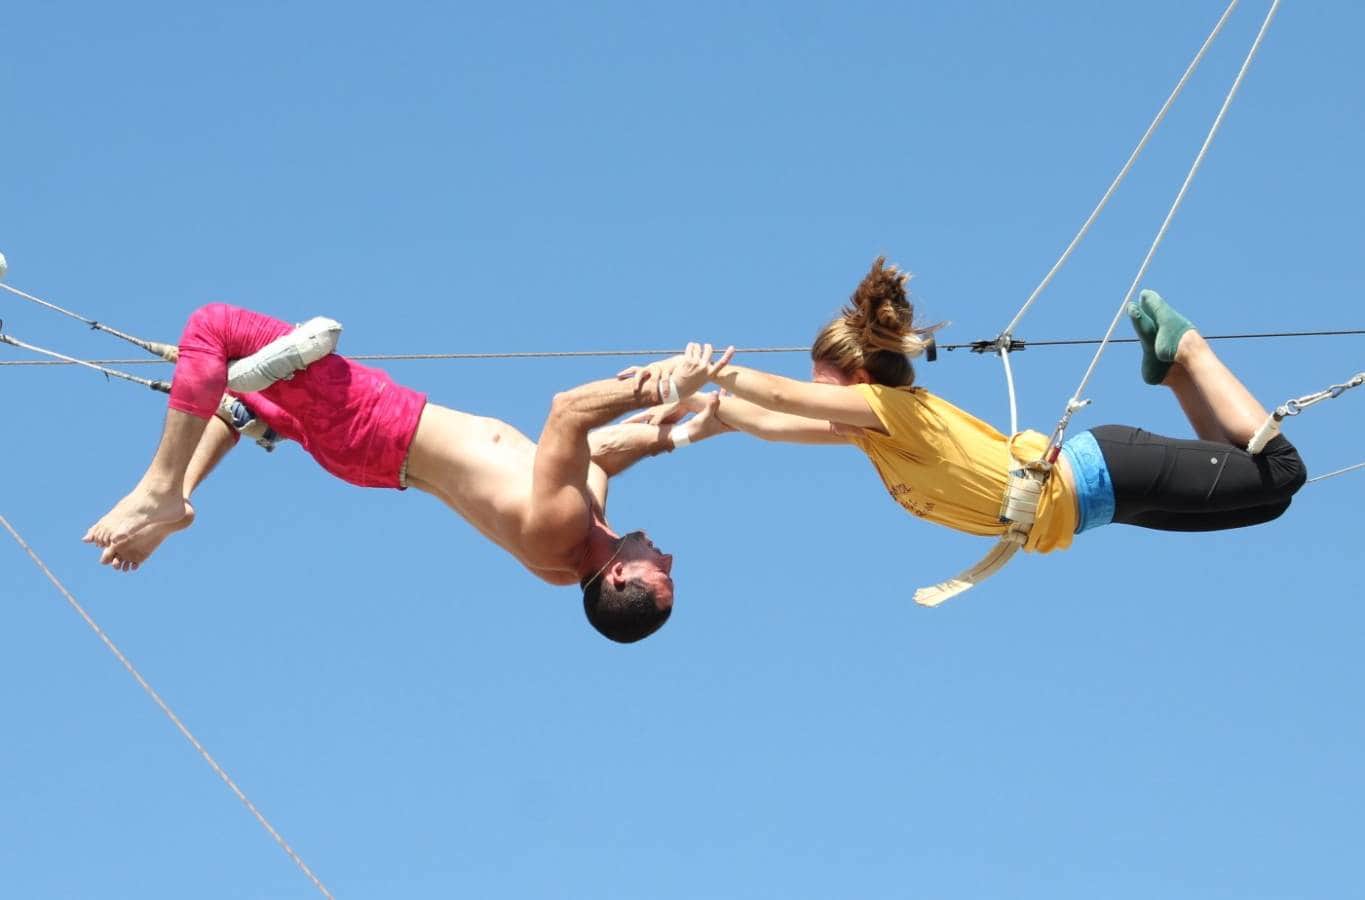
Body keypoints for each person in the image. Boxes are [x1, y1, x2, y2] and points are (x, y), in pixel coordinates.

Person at [84, 304, 731, 643]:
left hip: (376, 427)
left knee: (213, 329)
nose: (668, 557)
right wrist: (690, 424)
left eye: (661, 572)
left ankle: (161, 491)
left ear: (617, 575)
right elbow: (603, 455)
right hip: (371, 452)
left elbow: (567, 414)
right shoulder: (577, 538)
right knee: (244, 395)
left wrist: (660, 385)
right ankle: (178, 495)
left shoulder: (561, 527)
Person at [658, 258, 1307, 554]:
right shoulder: (873, 436)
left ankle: (1188, 350)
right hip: (1103, 507)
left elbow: (776, 395)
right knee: (1266, 501)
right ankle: (1173, 374)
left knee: (1281, 473)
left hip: (1105, 471)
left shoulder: (889, 410)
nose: (812, 396)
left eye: (820, 384)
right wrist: (714, 412)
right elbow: (775, 421)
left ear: (857, 377)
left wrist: (702, 373)